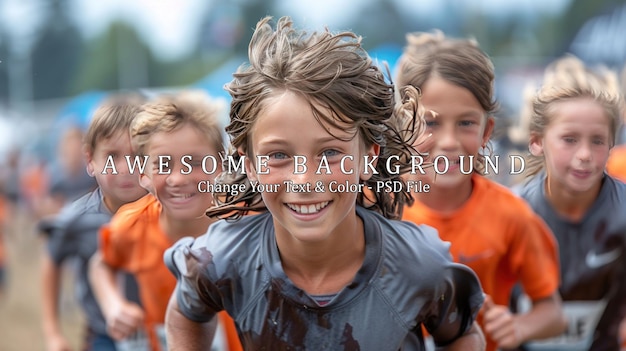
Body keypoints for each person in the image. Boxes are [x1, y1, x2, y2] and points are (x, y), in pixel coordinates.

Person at [163, 16, 486, 351]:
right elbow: (186, 311)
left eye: (330, 152)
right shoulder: (223, 258)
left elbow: (463, 335)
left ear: (367, 157)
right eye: (278, 155)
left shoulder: (419, 265)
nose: (305, 180)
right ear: (250, 164)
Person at [395, 31, 566, 351]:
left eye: (466, 123)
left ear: (487, 131)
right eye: (430, 123)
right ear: (404, 125)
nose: (449, 142)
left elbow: (553, 312)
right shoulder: (378, 206)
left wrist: (518, 326)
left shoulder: (510, 214)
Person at [89, 91, 242, 351]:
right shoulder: (133, 225)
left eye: (194, 162)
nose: (178, 178)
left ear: (222, 165)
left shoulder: (247, 219)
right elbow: (101, 264)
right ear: (144, 174)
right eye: (163, 164)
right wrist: (113, 305)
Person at [516, 55, 626, 350]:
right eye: (570, 139)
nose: (585, 154)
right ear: (537, 141)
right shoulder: (512, 213)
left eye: (597, 140)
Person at [39, 94, 148, 351]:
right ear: (90, 160)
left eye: (137, 156)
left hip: (165, 331)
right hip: (104, 337)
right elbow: (51, 261)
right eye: (112, 156)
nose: (125, 168)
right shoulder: (77, 218)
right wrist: (53, 332)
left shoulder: (169, 209)